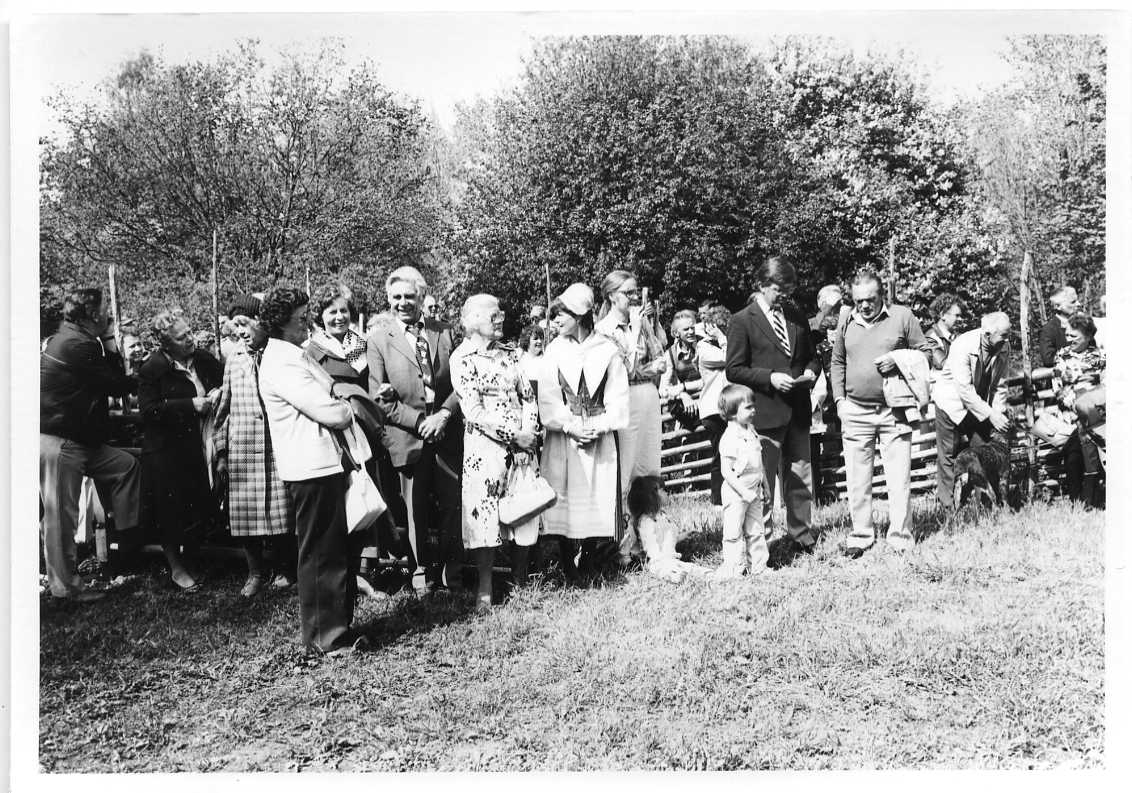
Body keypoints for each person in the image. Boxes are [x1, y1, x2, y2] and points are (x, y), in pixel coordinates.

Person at [258, 285, 372, 655]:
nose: (308, 322)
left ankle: (334, 629)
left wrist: (336, 401)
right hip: (310, 469)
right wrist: (341, 407)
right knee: (321, 554)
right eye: (300, 318)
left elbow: (331, 395)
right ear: (281, 324)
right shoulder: (282, 362)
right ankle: (326, 638)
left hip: (322, 465)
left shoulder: (295, 354)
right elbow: (332, 411)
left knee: (332, 550)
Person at [366, 265, 464, 594]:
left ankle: (453, 567)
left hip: (447, 431)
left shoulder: (445, 332)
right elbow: (380, 397)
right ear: (388, 299)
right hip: (409, 435)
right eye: (397, 297)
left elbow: (464, 383)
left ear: (421, 297)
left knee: (452, 502)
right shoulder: (379, 340)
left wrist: (445, 415)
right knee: (415, 508)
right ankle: (420, 569)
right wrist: (421, 422)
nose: (404, 302)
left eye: (410, 296)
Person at [40, 288, 140, 601]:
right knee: (61, 516)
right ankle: (65, 588)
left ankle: (126, 550)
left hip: (81, 441)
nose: (109, 313)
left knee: (126, 467)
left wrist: (108, 339)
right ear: (91, 314)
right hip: (60, 442)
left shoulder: (74, 338)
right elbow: (117, 383)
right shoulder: (78, 344)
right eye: (105, 308)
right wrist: (143, 373)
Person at [831, 271, 933, 559]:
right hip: (855, 410)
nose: (864, 306)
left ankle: (900, 537)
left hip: (894, 411)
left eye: (871, 300)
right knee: (857, 478)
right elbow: (837, 361)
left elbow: (926, 353)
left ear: (882, 297)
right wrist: (840, 401)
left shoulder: (902, 316)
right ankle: (861, 535)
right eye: (859, 300)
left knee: (898, 477)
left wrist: (898, 359)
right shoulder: (846, 320)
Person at [450, 294, 541, 609]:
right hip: (484, 450)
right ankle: (485, 587)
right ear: (473, 320)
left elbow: (528, 397)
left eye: (501, 312)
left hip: (522, 448)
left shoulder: (512, 353)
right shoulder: (462, 358)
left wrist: (527, 435)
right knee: (485, 515)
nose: (501, 317)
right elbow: (473, 411)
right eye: (494, 314)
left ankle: (520, 579)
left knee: (524, 509)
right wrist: (514, 435)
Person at [725, 255, 820, 554]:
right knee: (762, 483)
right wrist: (770, 378)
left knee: (801, 477)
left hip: (799, 410)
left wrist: (810, 372)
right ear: (762, 284)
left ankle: (802, 536)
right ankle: (761, 542)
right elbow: (734, 369)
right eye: (779, 289)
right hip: (764, 412)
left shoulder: (796, 314)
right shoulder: (741, 320)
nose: (785, 296)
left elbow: (812, 356)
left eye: (788, 289)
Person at [537, 284, 630, 577]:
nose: (555, 320)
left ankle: (591, 559)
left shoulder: (607, 350)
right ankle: (568, 563)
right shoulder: (553, 351)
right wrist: (570, 426)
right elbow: (549, 399)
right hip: (566, 437)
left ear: (580, 314)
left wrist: (600, 427)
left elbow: (618, 399)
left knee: (597, 495)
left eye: (561, 313)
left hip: (599, 438)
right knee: (565, 495)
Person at [211, 296, 296, 598]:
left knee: (281, 511)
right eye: (236, 327)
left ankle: (286, 569)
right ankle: (255, 572)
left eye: (245, 324)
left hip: (276, 446)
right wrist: (222, 452)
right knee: (245, 514)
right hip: (243, 449)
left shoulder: (277, 352)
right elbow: (223, 409)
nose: (241, 332)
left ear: (263, 322)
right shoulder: (234, 358)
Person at [138, 311, 224, 590]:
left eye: (190, 332)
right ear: (166, 343)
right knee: (169, 509)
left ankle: (196, 558)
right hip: (167, 450)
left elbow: (224, 382)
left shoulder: (203, 359)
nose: (190, 339)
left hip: (202, 441)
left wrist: (217, 393)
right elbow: (149, 410)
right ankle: (176, 568)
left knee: (200, 502)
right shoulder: (153, 368)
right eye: (182, 336)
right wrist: (190, 405)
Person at [595, 270, 668, 562]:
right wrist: (644, 363)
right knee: (624, 471)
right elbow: (621, 370)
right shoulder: (604, 330)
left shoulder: (642, 321)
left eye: (636, 292)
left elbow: (659, 357)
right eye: (628, 293)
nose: (635, 298)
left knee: (649, 469)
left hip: (649, 396)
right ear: (612, 296)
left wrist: (647, 330)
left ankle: (649, 539)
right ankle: (622, 546)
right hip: (624, 401)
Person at [931, 312, 1013, 509]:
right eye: (1003, 335)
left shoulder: (1003, 347)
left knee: (984, 449)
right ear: (987, 334)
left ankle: (986, 504)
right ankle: (948, 508)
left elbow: (1000, 385)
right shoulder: (963, 345)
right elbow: (964, 391)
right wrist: (991, 415)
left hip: (978, 406)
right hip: (951, 404)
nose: (1007, 339)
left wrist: (998, 412)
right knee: (949, 456)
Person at [1052, 314, 1106, 508]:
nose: (1069, 339)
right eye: (1068, 335)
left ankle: (1091, 498)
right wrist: (1073, 405)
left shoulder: (1100, 356)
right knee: (1074, 451)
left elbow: (1106, 384)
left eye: (1074, 336)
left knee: (1093, 444)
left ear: (1088, 335)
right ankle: (1077, 500)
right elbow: (1057, 386)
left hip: (1097, 411)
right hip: (1070, 412)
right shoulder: (1062, 355)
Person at [626, 475, 709, 583]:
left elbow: (667, 537)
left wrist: (684, 536)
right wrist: (658, 560)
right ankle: (674, 576)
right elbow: (650, 545)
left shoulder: (662, 516)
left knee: (690, 568)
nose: (667, 493)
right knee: (670, 570)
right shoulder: (646, 521)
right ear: (652, 496)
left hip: (670, 558)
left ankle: (708, 575)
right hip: (658, 561)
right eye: (663, 490)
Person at [696, 304, 731, 507]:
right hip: (713, 409)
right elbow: (729, 359)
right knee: (720, 453)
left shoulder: (724, 342)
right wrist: (722, 338)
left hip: (729, 406)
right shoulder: (705, 347)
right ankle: (717, 500)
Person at [659, 309, 703, 431]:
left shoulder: (703, 345)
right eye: (686, 329)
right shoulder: (671, 354)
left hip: (707, 397)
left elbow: (709, 379)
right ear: (676, 333)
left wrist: (684, 387)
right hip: (689, 406)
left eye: (692, 328)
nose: (691, 332)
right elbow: (663, 389)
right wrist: (681, 395)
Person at [1038, 285, 1080, 367]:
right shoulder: (1048, 330)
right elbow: (1048, 359)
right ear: (1058, 306)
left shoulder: (1082, 324)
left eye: (1077, 300)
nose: (1078, 304)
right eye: (1073, 302)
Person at [924, 293, 966, 370]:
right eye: (957, 315)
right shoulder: (930, 338)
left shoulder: (957, 336)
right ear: (942, 315)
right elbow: (943, 365)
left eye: (961, 316)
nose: (960, 319)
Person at [517, 323, 546, 387]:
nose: (540, 341)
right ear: (527, 340)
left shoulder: (546, 360)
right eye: (535, 339)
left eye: (541, 338)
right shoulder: (518, 357)